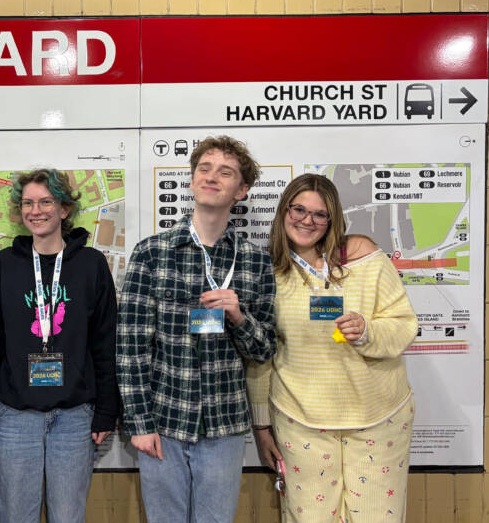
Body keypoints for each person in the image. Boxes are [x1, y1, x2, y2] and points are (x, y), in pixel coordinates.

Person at [117, 135, 277, 523]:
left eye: (225, 172)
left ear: (241, 190)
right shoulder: (151, 252)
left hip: (224, 427)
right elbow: (130, 349)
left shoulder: (255, 261)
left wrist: (239, 317)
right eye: (204, 168)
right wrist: (139, 424)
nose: (211, 177)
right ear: (191, 180)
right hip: (163, 423)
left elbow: (265, 348)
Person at [248, 173, 417, 523]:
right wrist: (262, 426)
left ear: (332, 219)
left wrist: (368, 330)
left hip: (377, 417)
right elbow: (262, 355)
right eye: (298, 209)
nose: (307, 221)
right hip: (302, 420)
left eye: (319, 214)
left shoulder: (363, 256)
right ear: (283, 212)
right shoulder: (268, 274)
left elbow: (404, 325)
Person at [0, 169, 119, 523]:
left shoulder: (91, 264)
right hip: (15, 414)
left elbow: (105, 341)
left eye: (45, 202)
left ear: (64, 209)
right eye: (27, 203)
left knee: (68, 517)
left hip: (75, 415)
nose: (35, 211)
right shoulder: (4, 265)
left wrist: (106, 410)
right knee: (16, 516)